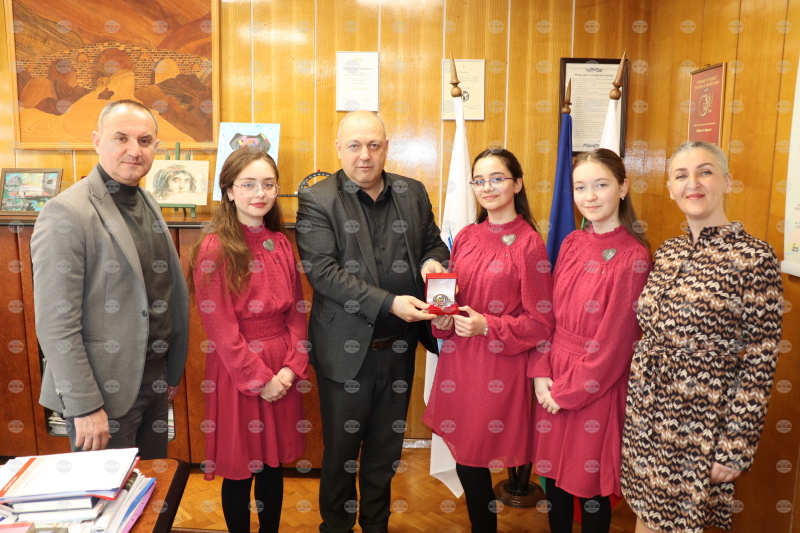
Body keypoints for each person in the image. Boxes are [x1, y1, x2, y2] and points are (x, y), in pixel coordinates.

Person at [296, 110, 450, 533]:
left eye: (373, 145)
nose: (364, 155)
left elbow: (433, 243)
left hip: (399, 347)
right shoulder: (318, 199)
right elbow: (323, 273)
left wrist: (433, 262)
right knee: (341, 454)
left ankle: (376, 525)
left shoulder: (412, 192)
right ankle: (337, 527)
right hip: (345, 353)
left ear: (386, 147)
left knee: (385, 452)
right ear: (338, 148)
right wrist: (390, 303)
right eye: (354, 145)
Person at [621, 141, 783, 533]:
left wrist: (736, 445)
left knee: (672, 523)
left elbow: (761, 359)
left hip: (699, 421)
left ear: (727, 182)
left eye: (705, 172)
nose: (692, 183)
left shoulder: (754, 257)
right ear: (671, 189)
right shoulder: (669, 252)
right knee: (645, 514)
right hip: (646, 414)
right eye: (681, 175)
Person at [31, 99, 190, 458]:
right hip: (102, 396)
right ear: (97, 141)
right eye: (121, 138)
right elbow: (56, 323)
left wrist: (169, 373)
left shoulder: (146, 200)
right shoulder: (66, 212)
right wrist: (84, 405)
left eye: (145, 141)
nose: (134, 150)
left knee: (151, 486)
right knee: (107, 493)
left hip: (154, 382)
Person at [423, 148, 555, 533]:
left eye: (497, 178)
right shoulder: (466, 235)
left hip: (497, 365)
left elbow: (541, 323)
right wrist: (442, 316)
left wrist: (488, 326)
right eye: (479, 180)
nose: (487, 187)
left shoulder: (529, 244)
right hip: (458, 362)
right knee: (466, 457)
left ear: (517, 184)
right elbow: (451, 301)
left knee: (474, 455)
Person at [530, 148, 652, 533]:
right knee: (553, 479)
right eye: (580, 187)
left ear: (623, 188)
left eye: (601, 185)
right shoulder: (572, 242)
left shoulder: (634, 256)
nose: (590, 196)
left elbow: (616, 344)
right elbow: (548, 314)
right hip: (554, 372)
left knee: (589, 485)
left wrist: (567, 393)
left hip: (594, 384)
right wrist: (541, 372)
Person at [190, 147, 307, 533]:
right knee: (242, 469)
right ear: (229, 191)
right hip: (239, 371)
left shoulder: (281, 243)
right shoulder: (215, 247)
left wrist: (291, 368)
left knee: (273, 466)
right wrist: (261, 380)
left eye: (268, 184)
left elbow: (297, 312)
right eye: (249, 184)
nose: (260, 193)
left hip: (282, 364)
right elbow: (221, 330)